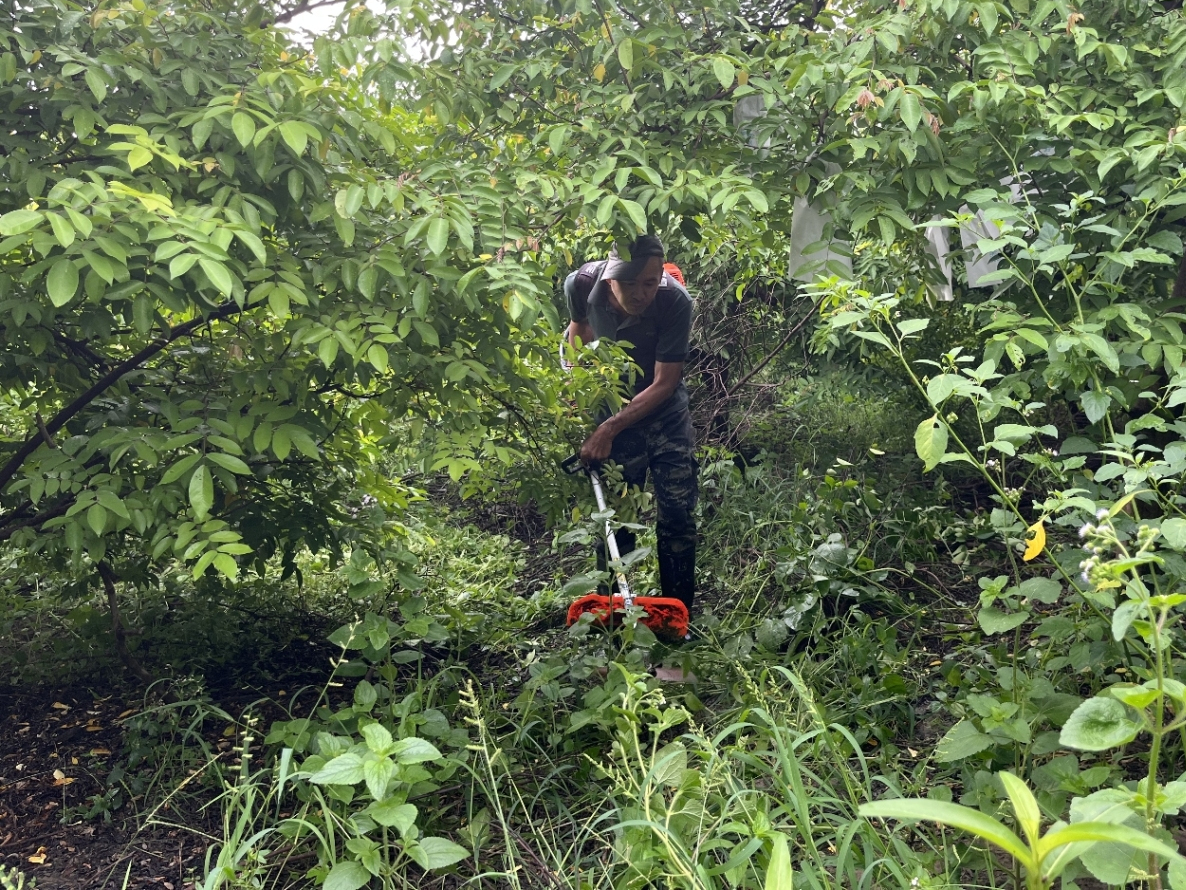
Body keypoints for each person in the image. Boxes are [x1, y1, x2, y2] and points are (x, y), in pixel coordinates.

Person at [564, 234, 698, 614]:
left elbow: (665, 383)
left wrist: (608, 429)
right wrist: (577, 394)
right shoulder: (581, 284)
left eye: (650, 283)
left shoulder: (675, 301)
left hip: (666, 416)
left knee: (677, 516)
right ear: (610, 279)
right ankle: (612, 613)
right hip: (611, 411)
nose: (641, 294)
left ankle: (677, 616)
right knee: (616, 519)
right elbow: (578, 333)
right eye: (630, 283)